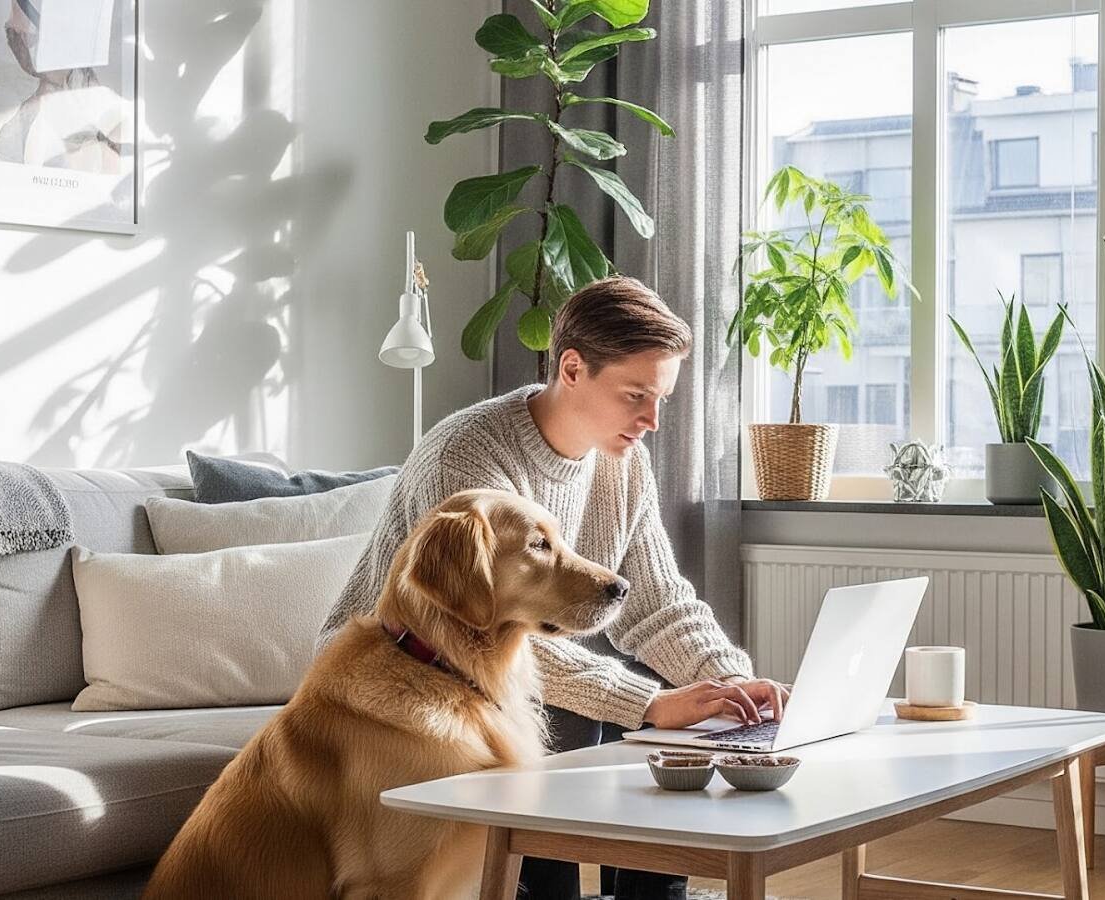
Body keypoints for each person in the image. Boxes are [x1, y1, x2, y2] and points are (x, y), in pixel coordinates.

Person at [319, 275, 787, 899]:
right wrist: (645, 704)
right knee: (594, 711)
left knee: (681, 721)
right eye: (635, 395)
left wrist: (732, 683)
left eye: (662, 399)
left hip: (489, 676)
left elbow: (657, 604)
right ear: (572, 368)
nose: (651, 419)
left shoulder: (624, 461)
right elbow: (482, 632)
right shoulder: (468, 457)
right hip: (404, 675)